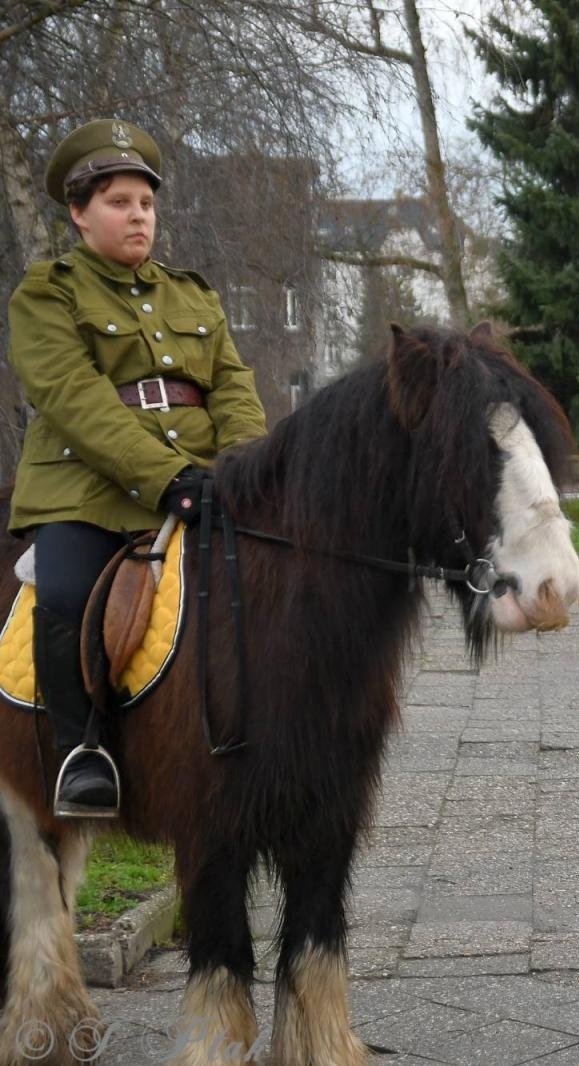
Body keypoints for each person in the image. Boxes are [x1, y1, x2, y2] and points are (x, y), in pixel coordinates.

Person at [7, 119, 267, 817]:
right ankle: (80, 753)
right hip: (85, 487)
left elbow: (233, 386)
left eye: (146, 203)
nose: (138, 216)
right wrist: (167, 478)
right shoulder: (48, 293)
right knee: (64, 591)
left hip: (205, 477)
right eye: (119, 202)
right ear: (78, 212)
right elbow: (73, 399)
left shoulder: (192, 294)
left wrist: (245, 468)